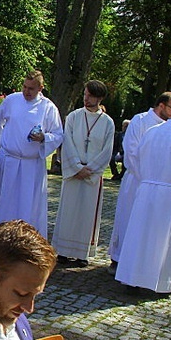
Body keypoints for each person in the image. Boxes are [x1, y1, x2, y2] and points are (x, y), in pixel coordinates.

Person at [116, 100, 171, 294]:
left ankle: (132, 279)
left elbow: (137, 157)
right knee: (162, 239)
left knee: (140, 234)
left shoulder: (152, 131)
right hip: (169, 191)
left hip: (145, 188)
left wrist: (145, 180)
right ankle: (160, 282)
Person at [0, 70, 63, 238]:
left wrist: (43, 138)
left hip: (31, 164)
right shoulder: (12, 100)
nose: (26, 91)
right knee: (4, 200)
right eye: (25, 87)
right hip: (9, 160)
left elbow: (58, 134)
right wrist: (1, 144)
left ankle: (25, 237)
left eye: (31, 88)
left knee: (28, 204)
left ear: (41, 88)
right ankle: (0, 236)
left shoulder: (48, 107)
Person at [108, 92, 171, 274]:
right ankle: (118, 258)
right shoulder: (140, 121)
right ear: (161, 105)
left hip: (157, 184)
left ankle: (142, 262)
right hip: (137, 180)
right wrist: (146, 179)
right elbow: (132, 152)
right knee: (127, 218)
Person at [51, 80, 115, 267]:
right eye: (85, 94)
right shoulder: (73, 116)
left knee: (87, 214)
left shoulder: (107, 123)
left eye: (91, 96)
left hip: (91, 175)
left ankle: (82, 254)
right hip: (74, 172)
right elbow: (67, 143)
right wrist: (76, 167)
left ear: (100, 98)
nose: (86, 99)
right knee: (68, 211)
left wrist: (91, 169)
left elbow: (107, 150)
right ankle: (63, 251)